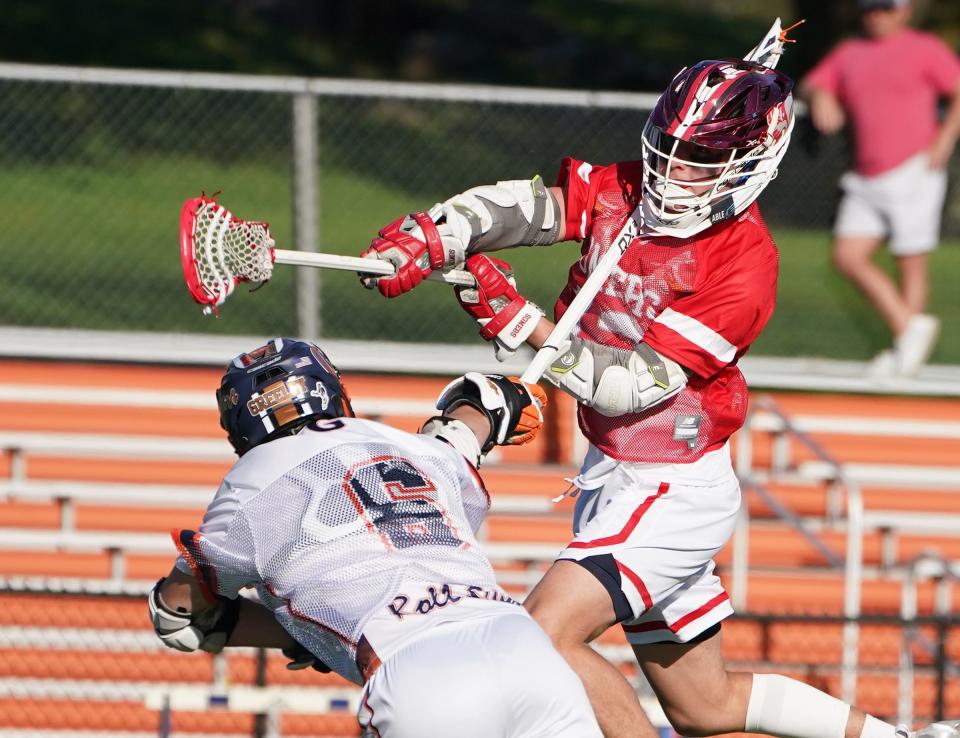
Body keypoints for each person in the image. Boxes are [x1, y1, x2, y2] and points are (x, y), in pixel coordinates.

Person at [358, 40, 958, 738]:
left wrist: (519, 320)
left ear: (752, 161)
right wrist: (437, 233)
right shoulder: (629, 189)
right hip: (614, 474)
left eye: (699, 160)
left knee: (540, 638)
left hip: (672, 488)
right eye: (668, 149)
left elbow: (630, 388)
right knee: (709, 707)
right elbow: (530, 208)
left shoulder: (745, 264)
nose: (673, 173)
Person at [147, 337, 604, 738]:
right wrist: (502, 399)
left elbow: (180, 613)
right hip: (520, 643)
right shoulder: (416, 446)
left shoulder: (250, 485)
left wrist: (301, 636)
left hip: (414, 667)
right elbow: (479, 407)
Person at [800, 0, 960, 378]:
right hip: (865, 173)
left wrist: (945, 140)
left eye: (886, 8)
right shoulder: (850, 52)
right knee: (848, 256)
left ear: (904, 11)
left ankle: (906, 353)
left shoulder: (925, 49)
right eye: (871, 8)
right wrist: (821, 95)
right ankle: (910, 331)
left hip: (914, 169)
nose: (877, 15)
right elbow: (811, 83)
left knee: (910, 261)